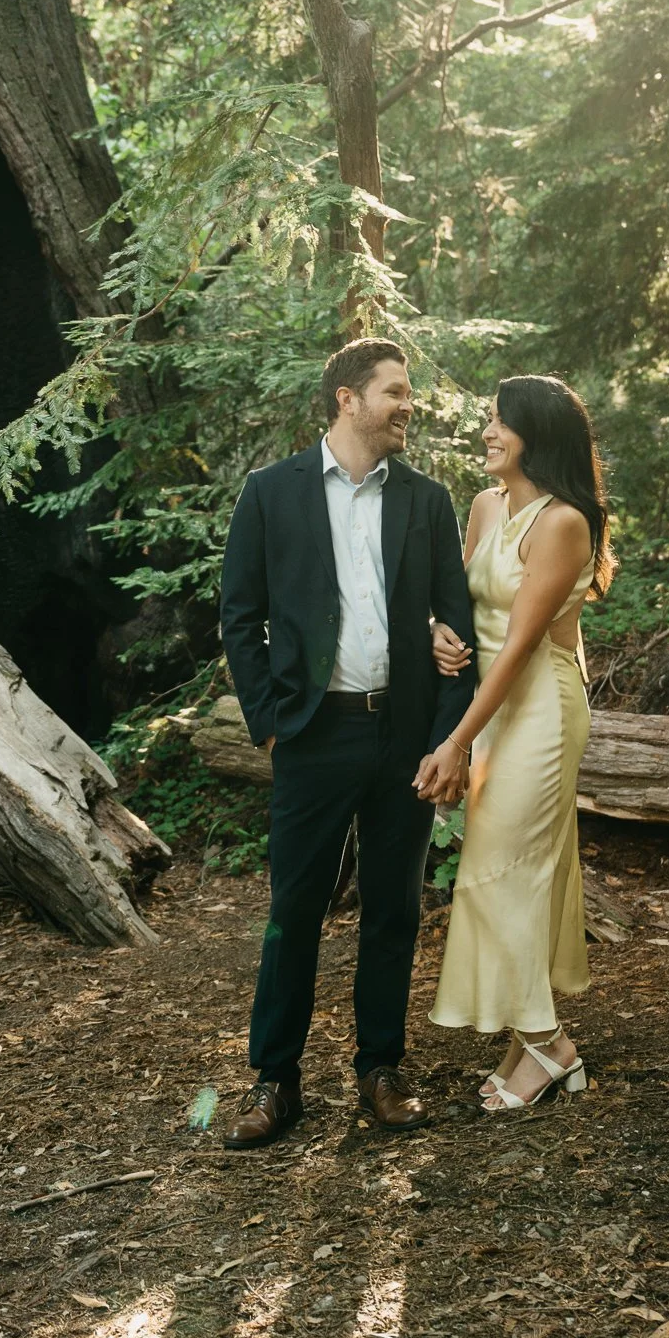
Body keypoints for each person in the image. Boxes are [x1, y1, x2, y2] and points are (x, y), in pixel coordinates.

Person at [219, 338, 477, 1148]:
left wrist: (447, 737)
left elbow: (457, 628)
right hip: (313, 734)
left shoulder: (427, 500)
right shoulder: (270, 492)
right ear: (347, 398)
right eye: (394, 391)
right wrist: (270, 723)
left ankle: (380, 1070)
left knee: (392, 911)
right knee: (293, 911)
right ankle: (275, 1081)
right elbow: (239, 617)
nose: (408, 405)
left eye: (408, 392)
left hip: (404, 736)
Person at [418, 374, 613, 1112]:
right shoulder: (485, 505)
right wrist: (437, 632)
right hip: (491, 705)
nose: (487, 432)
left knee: (508, 872)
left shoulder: (563, 523)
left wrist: (455, 742)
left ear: (538, 433)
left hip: (539, 710)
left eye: (501, 421)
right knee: (499, 869)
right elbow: (462, 608)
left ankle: (549, 1047)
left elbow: (522, 645)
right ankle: (528, 1042)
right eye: (488, 419)